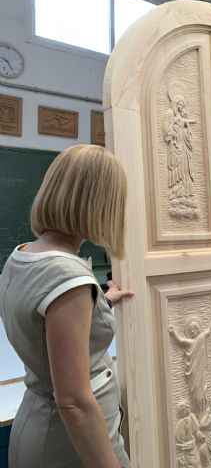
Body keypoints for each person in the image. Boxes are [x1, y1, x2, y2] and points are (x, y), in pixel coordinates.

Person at [0, 144, 134, 467]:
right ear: (99, 205)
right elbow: (73, 402)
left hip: (38, 421)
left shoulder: (22, 255)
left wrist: (98, 301)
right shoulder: (67, 276)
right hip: (69, 446)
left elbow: (43, 325)